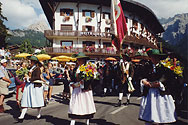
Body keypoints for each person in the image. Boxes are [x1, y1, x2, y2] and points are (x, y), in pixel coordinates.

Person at [139, 49, 176, 124]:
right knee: (149, 112)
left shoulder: (164, 69)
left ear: (159, 58)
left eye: (156, 57)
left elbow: (168, 80)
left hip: (160, 93)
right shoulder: (146, 67)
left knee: (161, 111)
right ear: (150, 58)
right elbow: (141, 76)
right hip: (149, 93)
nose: (154, 59)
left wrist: (160, 84)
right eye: (153, 57)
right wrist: (144, 81)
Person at [68, 52, 96, 125]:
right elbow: (73, 78)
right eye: (78, 59)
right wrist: (72, 83)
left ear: (84, 60)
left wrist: (80, 84)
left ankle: (87, 122)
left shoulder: (88, 68)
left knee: (86, 105)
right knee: (75, 106)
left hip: (84, 90)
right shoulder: (76, 69)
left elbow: (90, 79)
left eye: (80, 59)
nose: (78, 61)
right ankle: (72, 122)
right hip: (77, 90)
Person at [17, 56, 44, 122]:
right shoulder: (29, 68)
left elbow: (37, 77)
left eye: (31, 61)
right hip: (28, 86)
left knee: (37, 101)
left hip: (35, 87)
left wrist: (28, 78)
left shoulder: (37, 69)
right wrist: (25, 78)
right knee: (25, 100)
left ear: (34, 62)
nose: (29, 62)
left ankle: (38, 114)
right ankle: (22, 116)